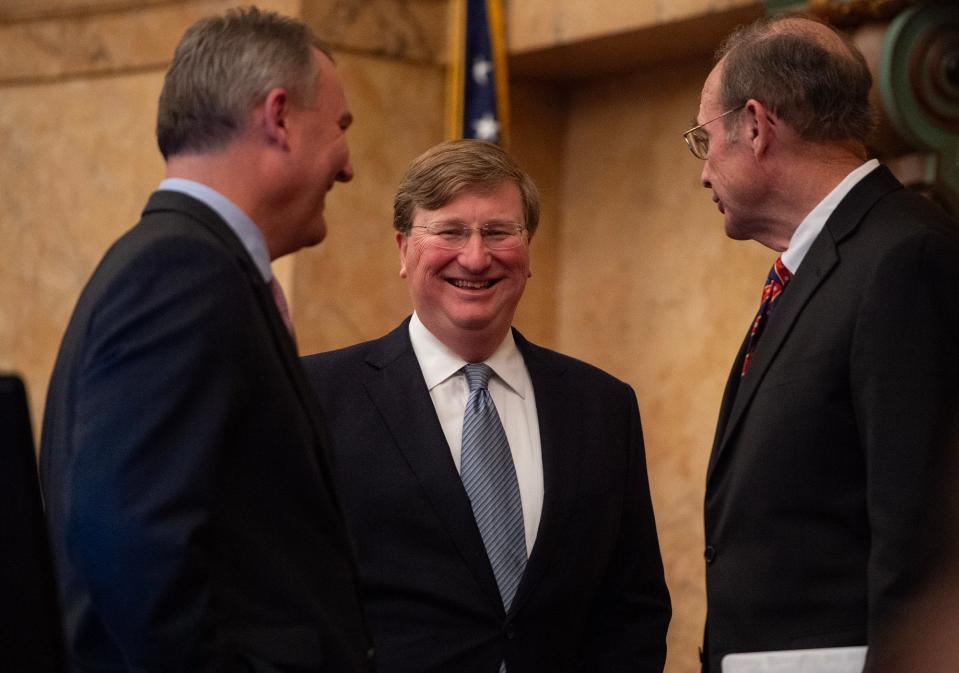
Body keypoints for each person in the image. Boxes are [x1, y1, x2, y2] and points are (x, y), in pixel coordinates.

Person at [40, 8, 372, 672]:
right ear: (277, 116)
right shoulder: (181, 274)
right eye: (339, 128)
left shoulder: (181, 263)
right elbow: (130, 545)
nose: (349, 166)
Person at [301, 139, 671, 673]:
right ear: (403, 250)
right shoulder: (318, 397)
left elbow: (632, 608)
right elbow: (294, 598)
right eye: (450, 231)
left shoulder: (603, 407)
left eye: (499, 232)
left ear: (529, 251)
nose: (476, 257)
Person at [684, 14, 959, 672]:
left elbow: (923, 544)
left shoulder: (904, 258)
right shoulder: (823, 266)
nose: (701, 173)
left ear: (755, 125)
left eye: (704, 139)